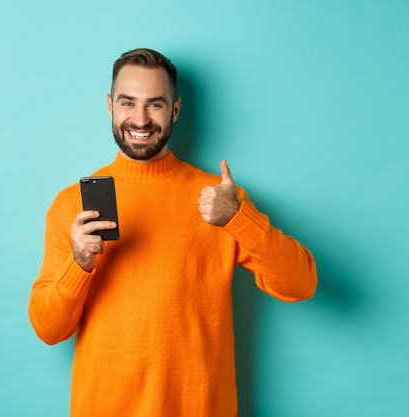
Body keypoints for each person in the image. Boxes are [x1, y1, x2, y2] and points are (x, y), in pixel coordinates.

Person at [28, 48, 317, 417]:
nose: (141, 118)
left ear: (175, 110)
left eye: (156, 105)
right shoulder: (72, 205)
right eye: (128, 102)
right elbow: (48, 329)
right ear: (110, 107)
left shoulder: (221, 200)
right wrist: (78, 263)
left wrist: (240, 218)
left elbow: (301, 284)